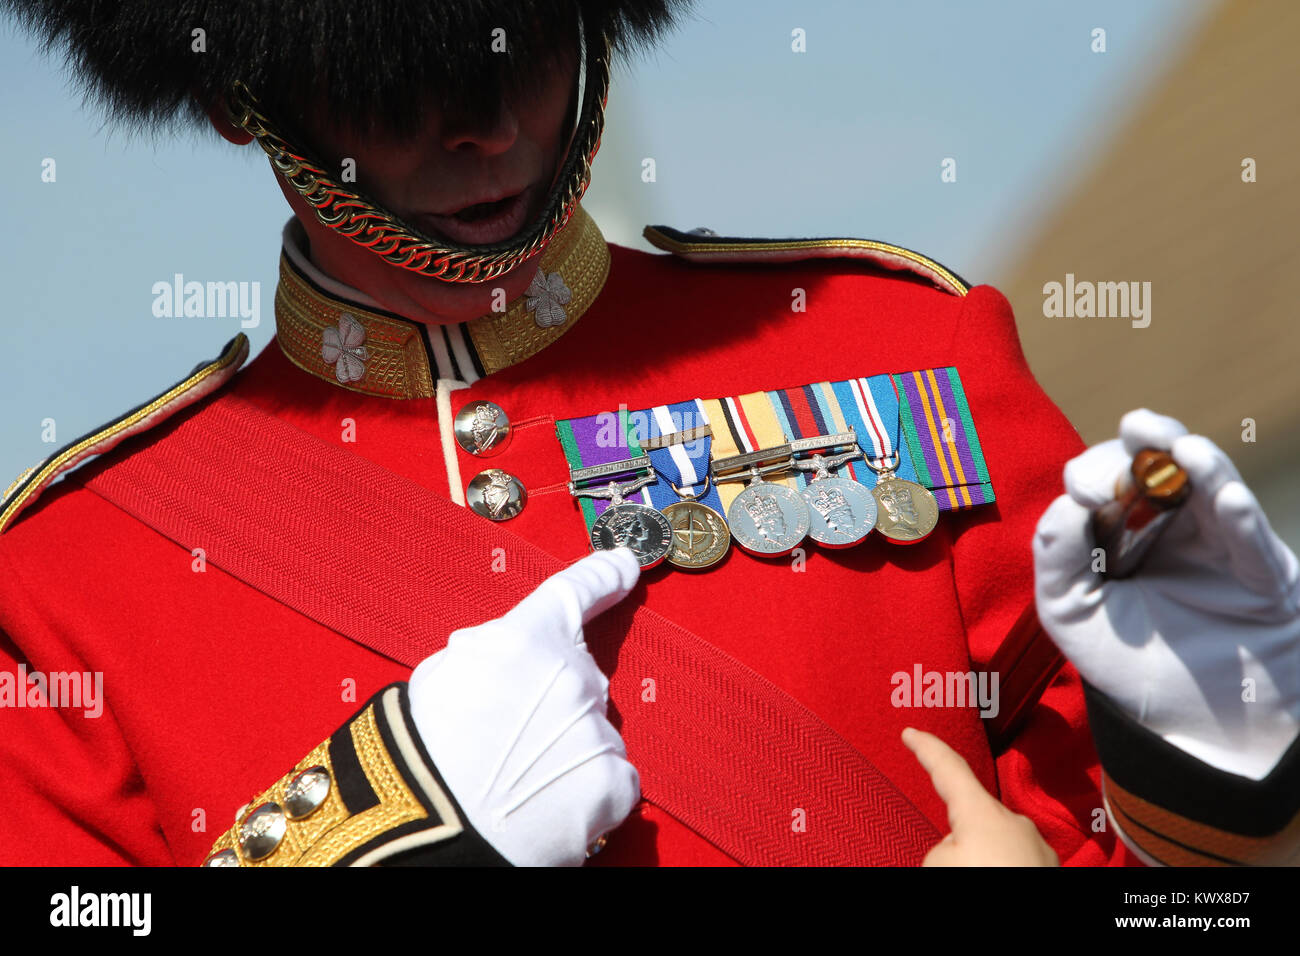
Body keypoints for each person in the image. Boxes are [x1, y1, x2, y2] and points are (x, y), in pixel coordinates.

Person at [1, 0, 1295, 868]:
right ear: (242, 95)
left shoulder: (897, 353)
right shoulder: (71, 587)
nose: (490, 124)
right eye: (396, 89)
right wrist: (372, 834)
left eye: (529, 47)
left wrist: (1218, 771)